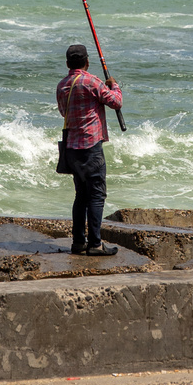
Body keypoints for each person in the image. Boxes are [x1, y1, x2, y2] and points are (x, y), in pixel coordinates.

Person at [56, 43, 123, 256]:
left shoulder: (62, 85)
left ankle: (78, 242)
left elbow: (62, 112)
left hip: (72, 149)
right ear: (87, 62)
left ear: (67, 63)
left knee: (81, 195)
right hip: (91, 147)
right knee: (96, 195)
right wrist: (114, 85)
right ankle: (95, 244)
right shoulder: (92, 81)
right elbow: (116, 102)